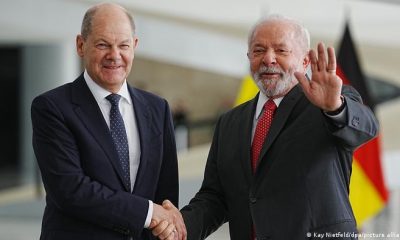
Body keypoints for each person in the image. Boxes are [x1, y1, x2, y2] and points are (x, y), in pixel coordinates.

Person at [156, 15, 379, 240]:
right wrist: (180, 226)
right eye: (259, 50)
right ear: (249, 57)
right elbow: (216, 197)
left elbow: (366, 128)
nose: (268, 59)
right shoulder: (230, 122)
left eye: (281, 51)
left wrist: (335, 107)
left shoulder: (328, 106)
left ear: (304, 61)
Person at [31, 3, 185, 240]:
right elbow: (70, 190)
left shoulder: (157, 108)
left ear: (134, 46)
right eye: (103, 44)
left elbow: (166, 195)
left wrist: (165, 224)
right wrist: (146, 212)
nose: (114, 55)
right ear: (81, 45)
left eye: (123, 45)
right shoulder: (52, 108)